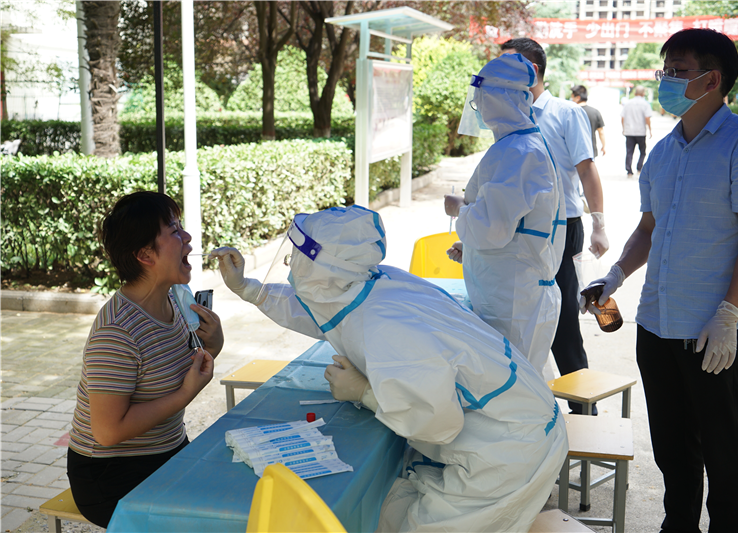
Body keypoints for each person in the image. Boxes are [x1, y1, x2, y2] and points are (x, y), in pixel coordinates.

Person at [211, 205, 568, 533]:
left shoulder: (388, 330)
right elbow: (329, 311)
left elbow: (436, 423)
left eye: (298, 258)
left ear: (324, 267)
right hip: (522, 421)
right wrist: (251, 290)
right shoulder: (373, 281)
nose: (291, 265)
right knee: (390, 509)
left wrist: (364, 392)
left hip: (510, 451)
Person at [582, 29, 738, 532]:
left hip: (713, 329)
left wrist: (730, 315)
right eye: (664, 70)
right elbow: (650, 229)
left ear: (712, 80)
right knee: (674, 452)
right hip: (657, 326)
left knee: (724, 453)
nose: (665, 81)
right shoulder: (664, 152)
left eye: (677, 70)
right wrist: (614, 276)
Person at [67, 191, 224, 528]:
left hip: (167, 453)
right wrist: (185, 394)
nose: (188, 237)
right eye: (174, 230)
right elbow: (108, 431)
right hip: (111, 477)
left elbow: (179, 369)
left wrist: (214, 344)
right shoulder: (117, 333)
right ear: (145, 255)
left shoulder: (174, 300)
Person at [499, 37, 608, 413]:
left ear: (534, 71)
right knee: (521, 317)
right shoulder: (508, 114)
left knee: (561, 321)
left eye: (511, 67)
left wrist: (599, 223)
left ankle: (584, 413)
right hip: (518, 231)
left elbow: (587, 170)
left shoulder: (565, 113)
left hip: (562, 227)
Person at [442, 53, 565, 375]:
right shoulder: (519, 146)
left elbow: (492, 229)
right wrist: (470, 247)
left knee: (512, 393)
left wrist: (459, 209)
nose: (478, 106)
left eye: (481, 98)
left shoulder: (519, 152)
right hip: (513, 292)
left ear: (499, 98)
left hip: (513, 301)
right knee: (518, 385)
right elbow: (515, 226)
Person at [620, 86, 653, 177]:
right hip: (641, 132)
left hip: (629, 131)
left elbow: (622, 117)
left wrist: (624, 129)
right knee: (642, 151)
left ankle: (629, 171)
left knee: (629, 151)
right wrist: (650, 129)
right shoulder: (645, 104)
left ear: (634, 93)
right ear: (643, 94)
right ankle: (639, 168)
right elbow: (647, 118)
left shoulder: (628, 103)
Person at [571, 84, 606, 158]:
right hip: (590, 150)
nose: (571, 99)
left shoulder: (570, 112)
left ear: (578, 97)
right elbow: (601, 132)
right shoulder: (595, 112)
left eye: (572, 97)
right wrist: (604, 146)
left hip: (573, 150)